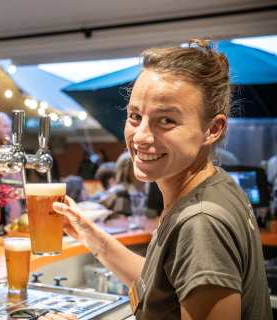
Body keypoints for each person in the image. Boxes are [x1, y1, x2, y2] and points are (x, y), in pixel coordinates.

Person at [41, 40, 271, 319]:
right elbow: (162, 288)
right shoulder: (214, 185)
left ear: (213, 128)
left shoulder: (201, 223)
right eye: (135, 116)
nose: (140, 137)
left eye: (166, 120)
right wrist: (88, 233)